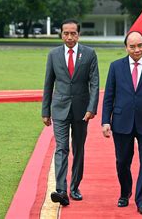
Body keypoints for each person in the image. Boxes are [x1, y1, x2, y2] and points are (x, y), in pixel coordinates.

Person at [102, 31, 142, 216]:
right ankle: (125, 192)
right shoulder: (116, 67)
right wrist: (106, 120)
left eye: (140, 45)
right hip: (122, 122)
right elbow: (109, 97)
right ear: (126, 47)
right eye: (132, 46)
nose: (136, 50)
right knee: (122, 161)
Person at [41, 19, 99, 206]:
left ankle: (74, 187)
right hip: (59, 109)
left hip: (82, 111)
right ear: (61, 34)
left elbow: (95, 83)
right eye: (66, 33)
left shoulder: (89, 54)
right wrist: (45, 111)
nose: (69, 37)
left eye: (73, 33)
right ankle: (61, 190)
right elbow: (48, 84)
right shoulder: (54, 54)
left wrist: (92, 108)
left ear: (78, 34)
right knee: (61, 148)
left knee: (78, 149)